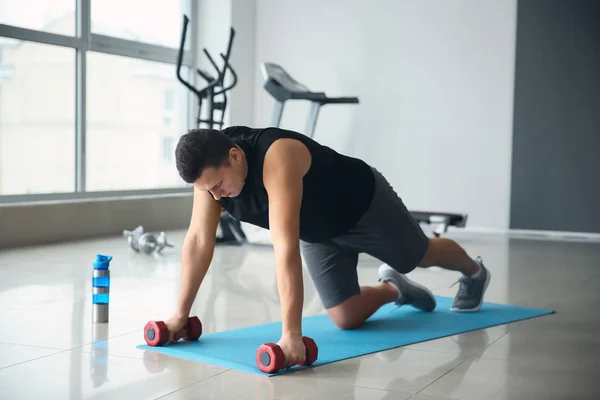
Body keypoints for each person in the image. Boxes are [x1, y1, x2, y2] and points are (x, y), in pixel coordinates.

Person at [164, 125, 491, 368]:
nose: (216, 196)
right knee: (346, 318)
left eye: (219, 185)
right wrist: (180, 315)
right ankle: (395, 289)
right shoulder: (209, 179)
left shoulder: (277, 156)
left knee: (420, 255)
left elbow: (285, 248)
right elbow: (198, 242)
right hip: (319, 233)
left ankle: (474, 272)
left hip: (363, 206)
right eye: (209, 191)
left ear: (235, 156)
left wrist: (291, 335)